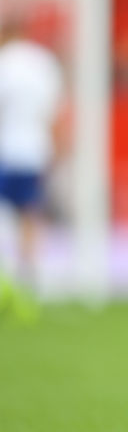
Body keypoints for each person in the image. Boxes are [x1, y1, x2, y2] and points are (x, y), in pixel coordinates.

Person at [0, 16, 63, 314]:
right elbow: (55, 111)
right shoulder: (44, 63)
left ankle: (6, 284)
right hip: (35, 151)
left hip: (5, 150)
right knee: (29, 215)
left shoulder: (5, 62)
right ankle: (28, 285)